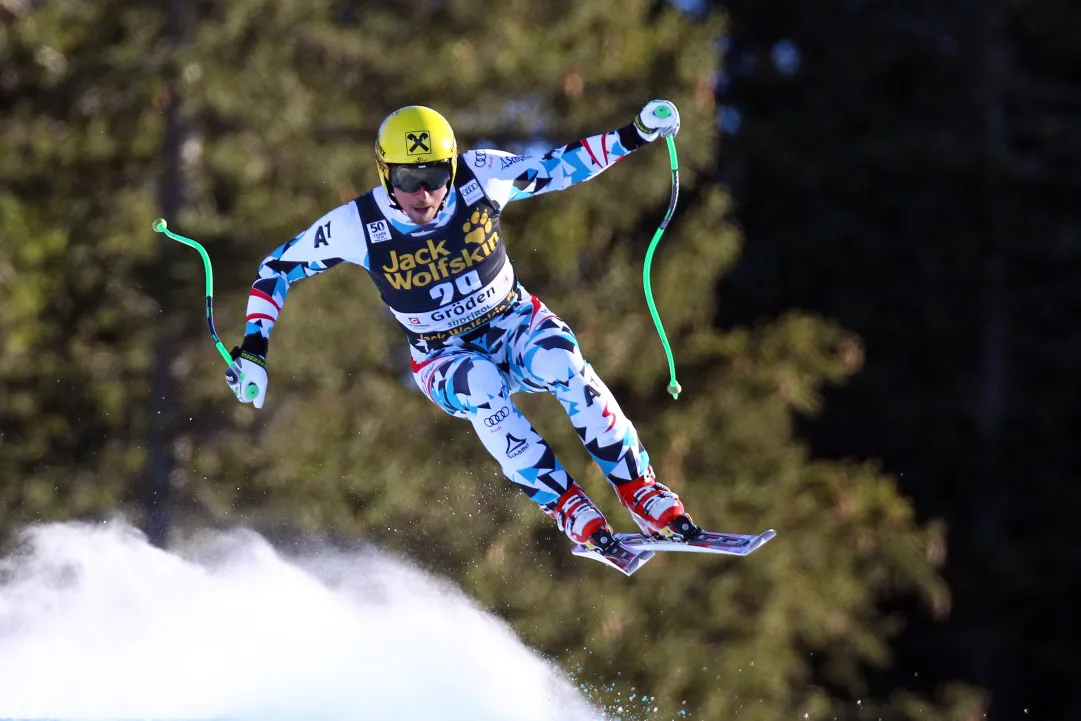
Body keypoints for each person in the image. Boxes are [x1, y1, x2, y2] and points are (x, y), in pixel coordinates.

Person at [226, 100, 702, 561]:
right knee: (482, 384)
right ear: (383, 173)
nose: (423, 195)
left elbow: (560, 167)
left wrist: (634, 135)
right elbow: (277, 268)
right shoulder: (358, 224)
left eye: (434, 176)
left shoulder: (483, 174)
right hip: (442, 356)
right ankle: (566, 504)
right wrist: (254, 351)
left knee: (561, 359)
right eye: (407, 179)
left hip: (513, 321)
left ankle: (641, 491)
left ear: (452, 167)